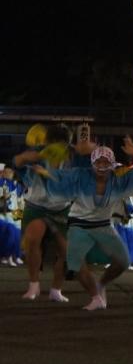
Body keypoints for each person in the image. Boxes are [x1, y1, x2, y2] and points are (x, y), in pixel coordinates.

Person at [18, 137, 133, 310]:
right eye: (99, 162)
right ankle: (93, 296)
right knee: (74, 264)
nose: (102, 166)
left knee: (124, 261)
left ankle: (101, 284)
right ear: (92, 163)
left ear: (112, 164)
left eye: (106, 163)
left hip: (103, 225)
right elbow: (61, 177)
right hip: (79, 225)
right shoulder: (80, 175)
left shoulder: (118, 181)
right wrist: (45, 173)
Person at [15, 124, 79, 303]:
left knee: (65, 252)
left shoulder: (73, 158)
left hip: (61, 208)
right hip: (36, 205)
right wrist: (24, 158)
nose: (58, 147)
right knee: (32, 241)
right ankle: (33, 285)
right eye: (54, 143)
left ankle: (56, 290)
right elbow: (17, 162)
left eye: (63, 143)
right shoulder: (37, 153)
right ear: (47, 142)